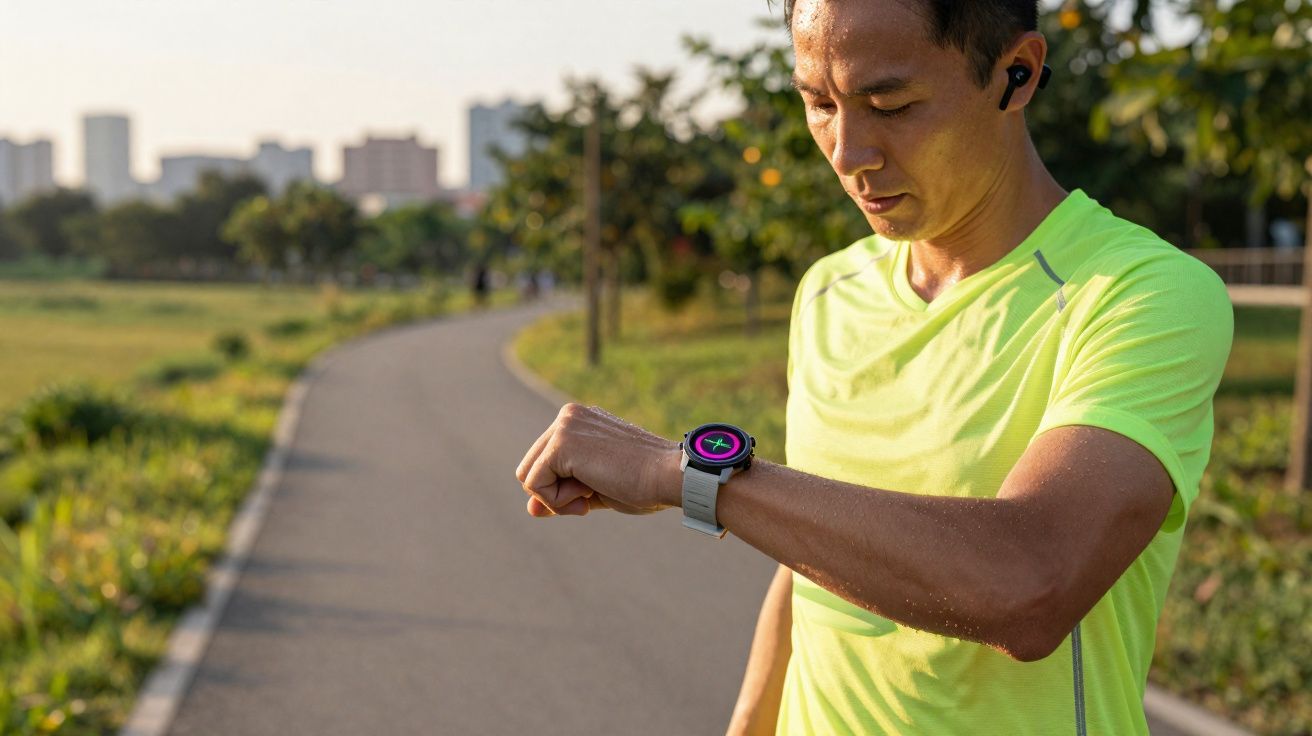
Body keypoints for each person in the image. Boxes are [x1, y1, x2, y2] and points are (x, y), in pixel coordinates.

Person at [513, 1, 1233, 733]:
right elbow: (816, 563)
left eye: (890, 104)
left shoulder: (1142, 294)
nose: (848, 151)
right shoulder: (829, 290)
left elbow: (1030, 581)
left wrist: (688, 475)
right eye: (818, 104)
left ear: (1017, 74)